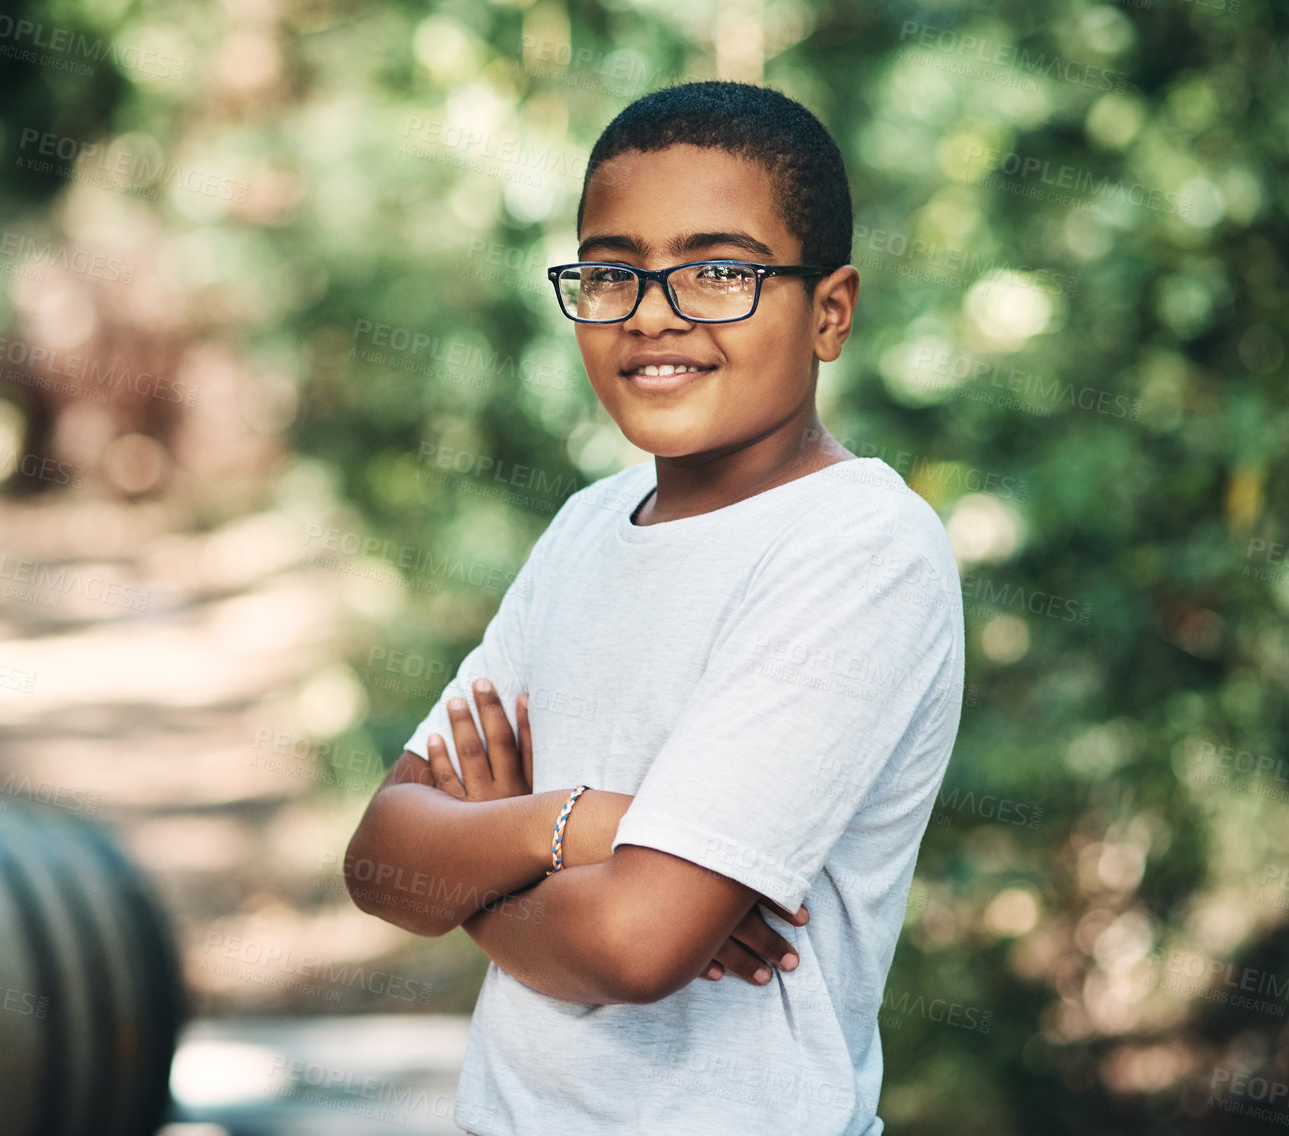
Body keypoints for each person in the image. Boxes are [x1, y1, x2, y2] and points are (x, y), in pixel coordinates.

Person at [343, 80, 965, 1135]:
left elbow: (632, 943)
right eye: (612, 271)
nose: (653, 312)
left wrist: (482, 861)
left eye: (719, 270)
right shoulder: (589, 525)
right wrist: (584, 826)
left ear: (829, 309)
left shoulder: (860, 548)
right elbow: (379, 858)